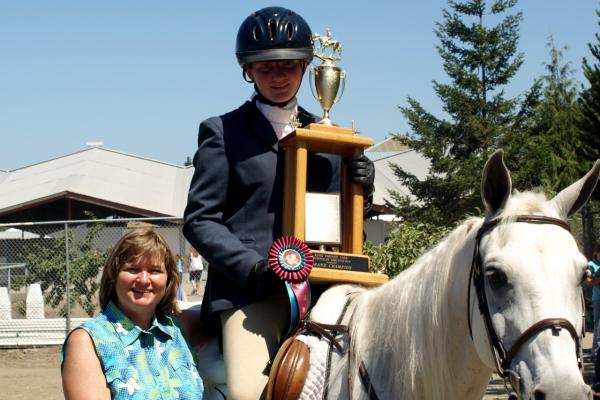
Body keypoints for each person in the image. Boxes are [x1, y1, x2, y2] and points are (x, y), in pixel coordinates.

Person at [182, 6, 375, 400]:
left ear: (306, 68)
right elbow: (201, 220)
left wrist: (363, 189)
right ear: (248, 71)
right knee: (247, 393)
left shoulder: (328, 133)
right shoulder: (223, 132)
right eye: (265, 67)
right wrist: (254, 270)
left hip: (328, 284)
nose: (278, 77)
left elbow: (339, 216)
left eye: (287, 66)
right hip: (252, 293)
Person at [61, 229, 203, 400]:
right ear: (114, 275)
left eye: (155, 271)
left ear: (168, 279)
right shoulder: (88, 341)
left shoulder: (179, 329)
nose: (143, 279)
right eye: (133, 269)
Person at [588, 243, 600, 392]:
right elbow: (589, 282)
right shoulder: (591, 265)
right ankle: (596, 354)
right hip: (598, 300)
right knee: (598, 329)